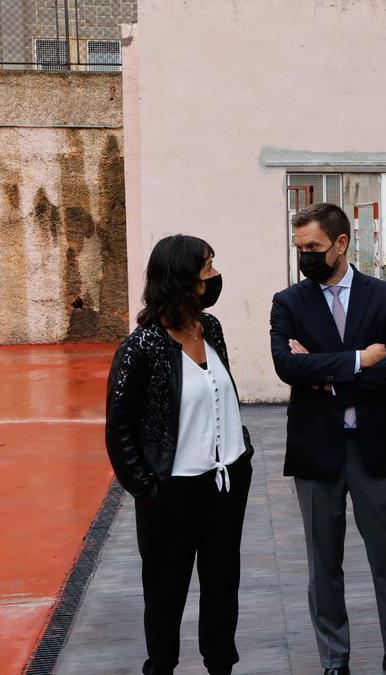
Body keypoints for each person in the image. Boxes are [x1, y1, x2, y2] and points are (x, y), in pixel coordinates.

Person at [269, 202, 386, 675]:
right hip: (317, 451)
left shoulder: (385, 297)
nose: (306, 257)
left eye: (314, 248)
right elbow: (286, 367)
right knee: (324, 565)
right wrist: (360, 360)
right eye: (299, 249)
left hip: (374, 447)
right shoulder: (289, 302)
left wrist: (323, 373)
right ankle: (334, 660)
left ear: (341, 244)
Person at [105, 234, 254, 675]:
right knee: (166, 594)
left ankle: (220, 666)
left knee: (223, 586)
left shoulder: (211, 330)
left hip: (225, 483)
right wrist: (148, 490)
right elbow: (119, 430)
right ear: (181, 278)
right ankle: (163, 667)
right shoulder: (142, 347)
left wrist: (239, 448)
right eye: (207, 267)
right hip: (172, 491)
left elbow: (219, 396)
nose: (214, 275)